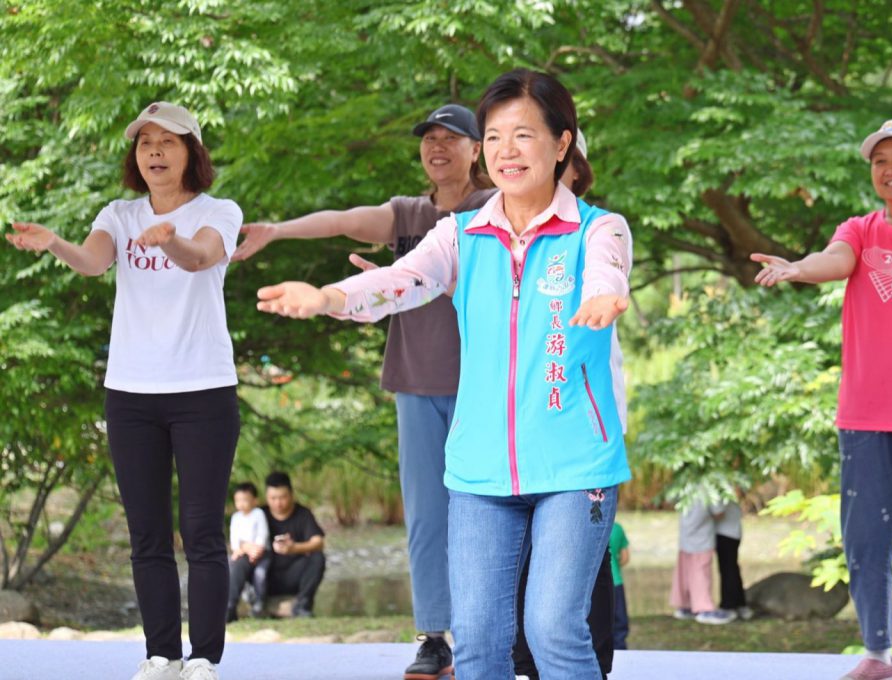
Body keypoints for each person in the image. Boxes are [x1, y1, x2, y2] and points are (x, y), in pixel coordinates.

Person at [254, 68, 632, 680]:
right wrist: (328, 296)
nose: (508, 151)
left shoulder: (599, 228)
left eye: (526, 135)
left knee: (552, 631)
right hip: (479, 473)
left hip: (575, 466)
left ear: (562, 143)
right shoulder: (459, 234)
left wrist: (603, 295)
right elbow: (399, 279)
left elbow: (608, 272)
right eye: (496, 136)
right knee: (479, 642)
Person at [233, 103, 491, 679]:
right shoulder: (408, 214)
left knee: (489, 513)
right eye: (429, 138)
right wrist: (278, 230)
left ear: (479, 149)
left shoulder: (494, 210)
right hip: (415, 384)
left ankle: (496, 631)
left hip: (485, 387)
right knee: (427, 516)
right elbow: (344, 219)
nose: (438, 147)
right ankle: (434, 637)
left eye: (452, 138)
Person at [6, 101, 242, 680]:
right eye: (145, 143)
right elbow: (92, 261)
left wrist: (170, 243)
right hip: (131, 394)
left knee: (204, 530)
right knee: (147, 532)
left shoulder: (220, 210)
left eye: (168, 141)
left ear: (193, 152)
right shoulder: (119, 213)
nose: (155, 151)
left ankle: (204, 659)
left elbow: (202, 256)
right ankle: (160, 654)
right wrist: (55, 242)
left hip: (204, 390)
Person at [751, 119, 892, 680]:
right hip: (868, 408)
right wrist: (797, 269)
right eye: (880, 161)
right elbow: (836, 260)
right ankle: (878, 656)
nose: (891, 169)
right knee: (866, 535)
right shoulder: (860, 229)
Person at [511, 132, 620, 680]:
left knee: (580, 567)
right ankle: (529, 661)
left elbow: (607, 278)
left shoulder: (597, 232)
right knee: (523, 563)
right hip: (519, 447)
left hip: (580, 449)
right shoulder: (503, 245)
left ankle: (591, 660)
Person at [261, 471, 326, 618]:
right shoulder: (259, 514)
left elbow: (318, 542)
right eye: (273, 498)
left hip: (293, 574)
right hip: (266, 575)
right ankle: (253, 604)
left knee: (318, 557)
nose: (278, 503)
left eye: (282, 497)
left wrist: (294, 548)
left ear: (291, 494)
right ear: (266, 497)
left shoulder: (303, 514)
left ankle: (302, 605)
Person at [670, 499, 736, 625]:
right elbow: (719, 513)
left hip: (685, 538)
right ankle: (704, 609)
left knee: (686, 573)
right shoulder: (708, 488)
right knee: (701, 574)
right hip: (702, 540)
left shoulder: (685, 485)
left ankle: (686, 606)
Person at [226, 482, 271, 621]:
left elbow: (262, 534)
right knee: (232, 566)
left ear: (254, 500)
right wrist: (238, 549)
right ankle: (230, 606)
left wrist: (256, 550)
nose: (241, 504)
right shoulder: (236, 517)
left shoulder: (258, 514)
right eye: (238, 500)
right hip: (243, 553)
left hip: (261, 553)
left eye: (245, 500)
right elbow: (234, 538)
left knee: (260, 574)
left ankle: (259, 604)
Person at [713, 499, 751, 620]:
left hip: (725, 533)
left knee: (727, 570)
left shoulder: (722, 488)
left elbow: (718, 512)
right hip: (732, 532)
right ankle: (740, 604)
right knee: (732, 568)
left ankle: (728, 606)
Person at [608, 521, 631, 649]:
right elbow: (625, 558)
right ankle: (620, 649)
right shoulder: (617, 528)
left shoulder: (589, 526)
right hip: (616, 581)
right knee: (619, 621)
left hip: (594, 584)